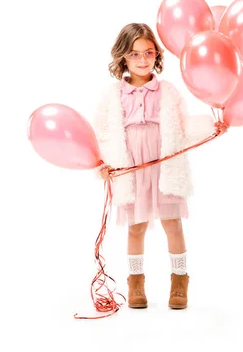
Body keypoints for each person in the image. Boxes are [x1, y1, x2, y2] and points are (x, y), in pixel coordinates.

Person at [92, 23, 227, 310]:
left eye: (148, 53)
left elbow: (183, 126)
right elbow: (102, 132)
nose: (142, 60)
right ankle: (136, 282)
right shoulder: (113, 95)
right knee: (136, 227)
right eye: (135, 54)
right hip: (133, 166)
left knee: (172, 223)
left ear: (156, 55)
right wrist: (101, 164)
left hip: (164, 164)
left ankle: (179, 281)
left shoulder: (167, 91)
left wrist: (210, 127)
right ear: (123, 58)